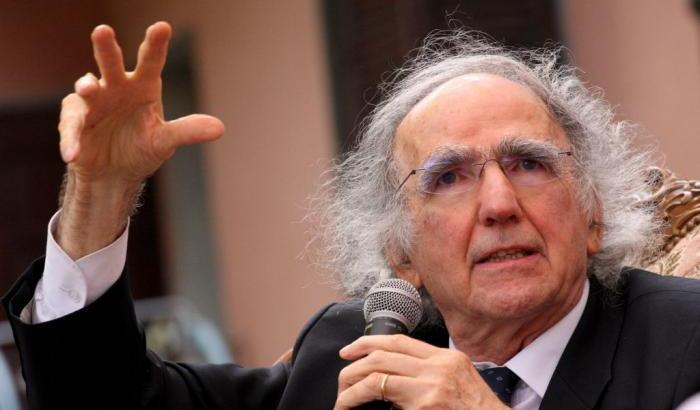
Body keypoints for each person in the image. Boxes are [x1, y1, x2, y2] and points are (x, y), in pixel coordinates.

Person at [3, 21, 700, 410]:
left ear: (593, 213)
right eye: (448, 178)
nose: (498, 205)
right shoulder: (353, 354)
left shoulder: (683, 346)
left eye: (529, 163)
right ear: (402, 254)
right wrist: (98, 192)